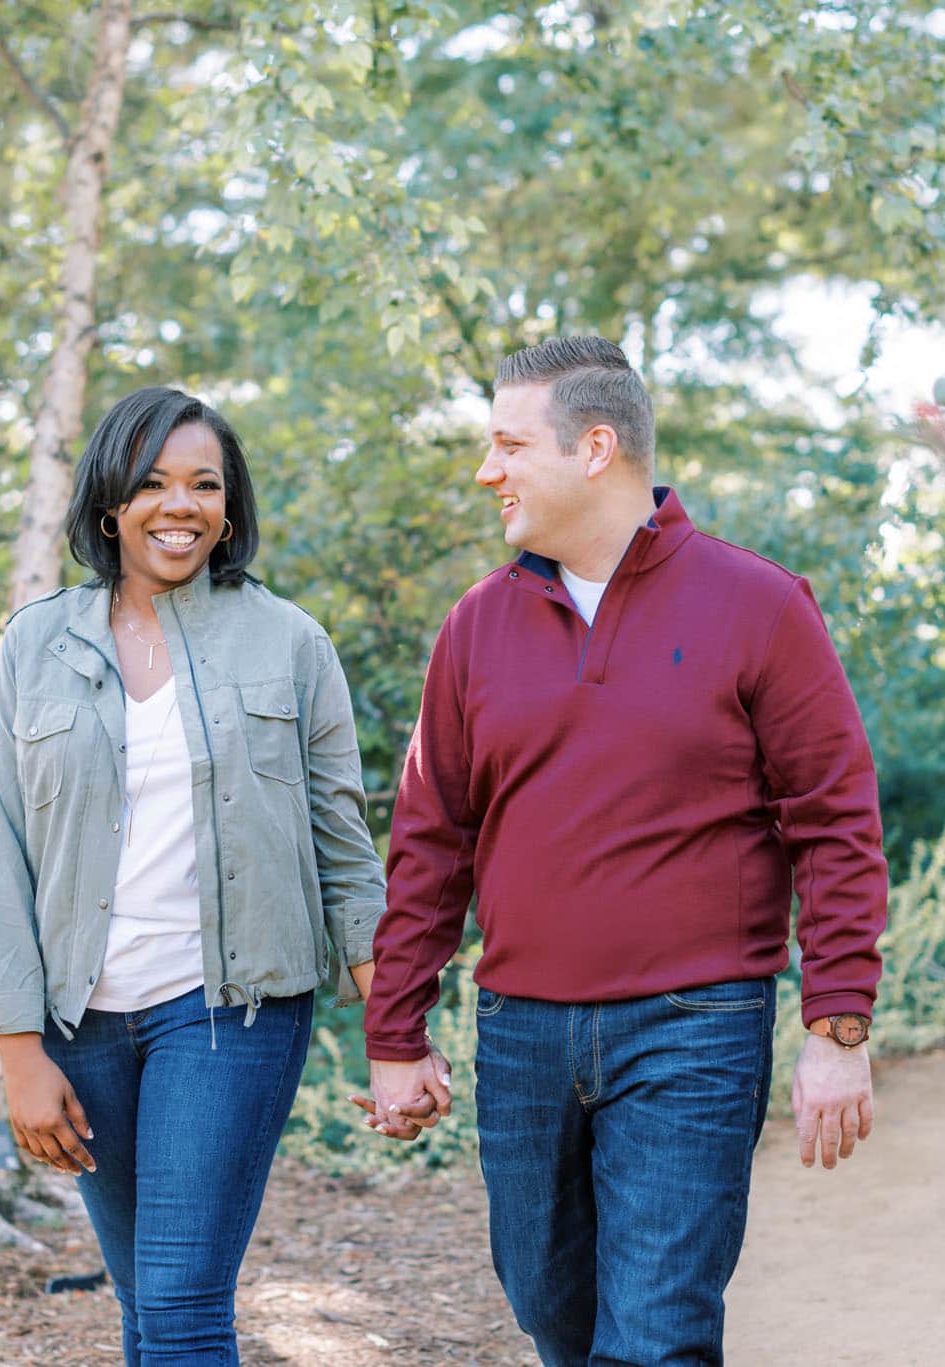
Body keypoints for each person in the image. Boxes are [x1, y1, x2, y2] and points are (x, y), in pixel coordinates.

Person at [357, 337, 888, 1366]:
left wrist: (836, 1025)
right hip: (521, 1034)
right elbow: (431, 837)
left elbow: (832, 817)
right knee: (548, 1307)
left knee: (653, 1335)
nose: (486, 470)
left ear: (595, 446)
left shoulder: (759, 603)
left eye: (508, 444)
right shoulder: (475, 625)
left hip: (695, 1025)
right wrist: (395, 1032)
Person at [0, 385, 387, 1366]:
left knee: (182, 1306)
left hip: (227, 1009)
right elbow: (0, 852)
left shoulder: (289, 642)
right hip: (78, 1021)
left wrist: (389, 1028)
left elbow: (344, 849)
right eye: (151, 482)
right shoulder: (34, 645)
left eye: (202, 484)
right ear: (110, 503)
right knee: (145, 1308)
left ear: (229, 508)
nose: (177, 504)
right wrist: (17, 1052)